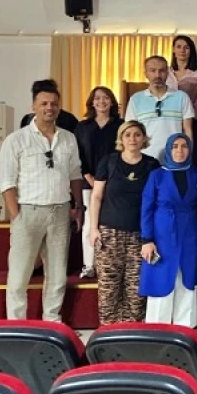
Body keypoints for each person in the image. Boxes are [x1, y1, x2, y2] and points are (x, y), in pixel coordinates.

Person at [0, 81, 83, 322]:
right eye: (44, 103)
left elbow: (75, 174)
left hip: (60, 211)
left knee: (57, 273)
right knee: (19, 274)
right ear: (33, 106)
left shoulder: (68, 138)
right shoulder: (16, 140)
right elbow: (7, 182)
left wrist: (78, 206)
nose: (49, 108)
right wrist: (16, 216)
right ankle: (16, 323)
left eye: (54, 104)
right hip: (28, 211)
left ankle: (52, 320)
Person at [87, 120, 160, 324]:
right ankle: (108, 333)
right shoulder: (109, 162)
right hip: (109, 234)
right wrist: (93, 228)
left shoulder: (152, 165)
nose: (132, 139)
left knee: (136, 291)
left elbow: (156, 202)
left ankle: (132, 334)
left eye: (137, 134)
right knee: (108, 290)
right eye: (127, 135)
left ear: (144, 138)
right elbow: (96, 196)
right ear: (121, 138)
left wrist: (151, 237)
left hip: (139, 236)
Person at [139, 133, 197, 327]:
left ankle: (185, 327)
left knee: (187, 275)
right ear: (168, 149)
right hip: (162, 235)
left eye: (184, 146)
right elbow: (146, 209)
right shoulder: (157, 175)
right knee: (161, 276)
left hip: (190, 232)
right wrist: (147, 239)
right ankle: (158, 328)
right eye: (175, 146)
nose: (179, 151)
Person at [74, 86, 123, 279]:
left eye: (106, 98)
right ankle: (89, 265)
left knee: (112, 223)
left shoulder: (121, 125)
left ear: (112, 102)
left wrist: (110, 180)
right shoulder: (82, 127)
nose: (101, 101)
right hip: (89, 182)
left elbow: (123, 152)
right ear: (91, 103)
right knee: (89, 224)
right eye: (97, 98)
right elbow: (77, 154)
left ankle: (110, 265)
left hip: (114, 182)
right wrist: (89, 176)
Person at [126, 56, 195, 160]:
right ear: (146, 73)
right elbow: (130, 132)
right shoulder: (135, 100)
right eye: (152, 71)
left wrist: (187, 156)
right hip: (145, 159)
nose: (157, 75)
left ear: (167, 73)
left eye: (161, 71)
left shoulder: (181, 97)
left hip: (174, 158)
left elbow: (188, 130)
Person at [170, 35, 197, 123]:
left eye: (186, 48)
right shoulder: (166, 72)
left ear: (191, 51)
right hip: (169, 118)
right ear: (173, 50)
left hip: (192, 119)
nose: (182, 50)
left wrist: (194, 118)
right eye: (179, 47)